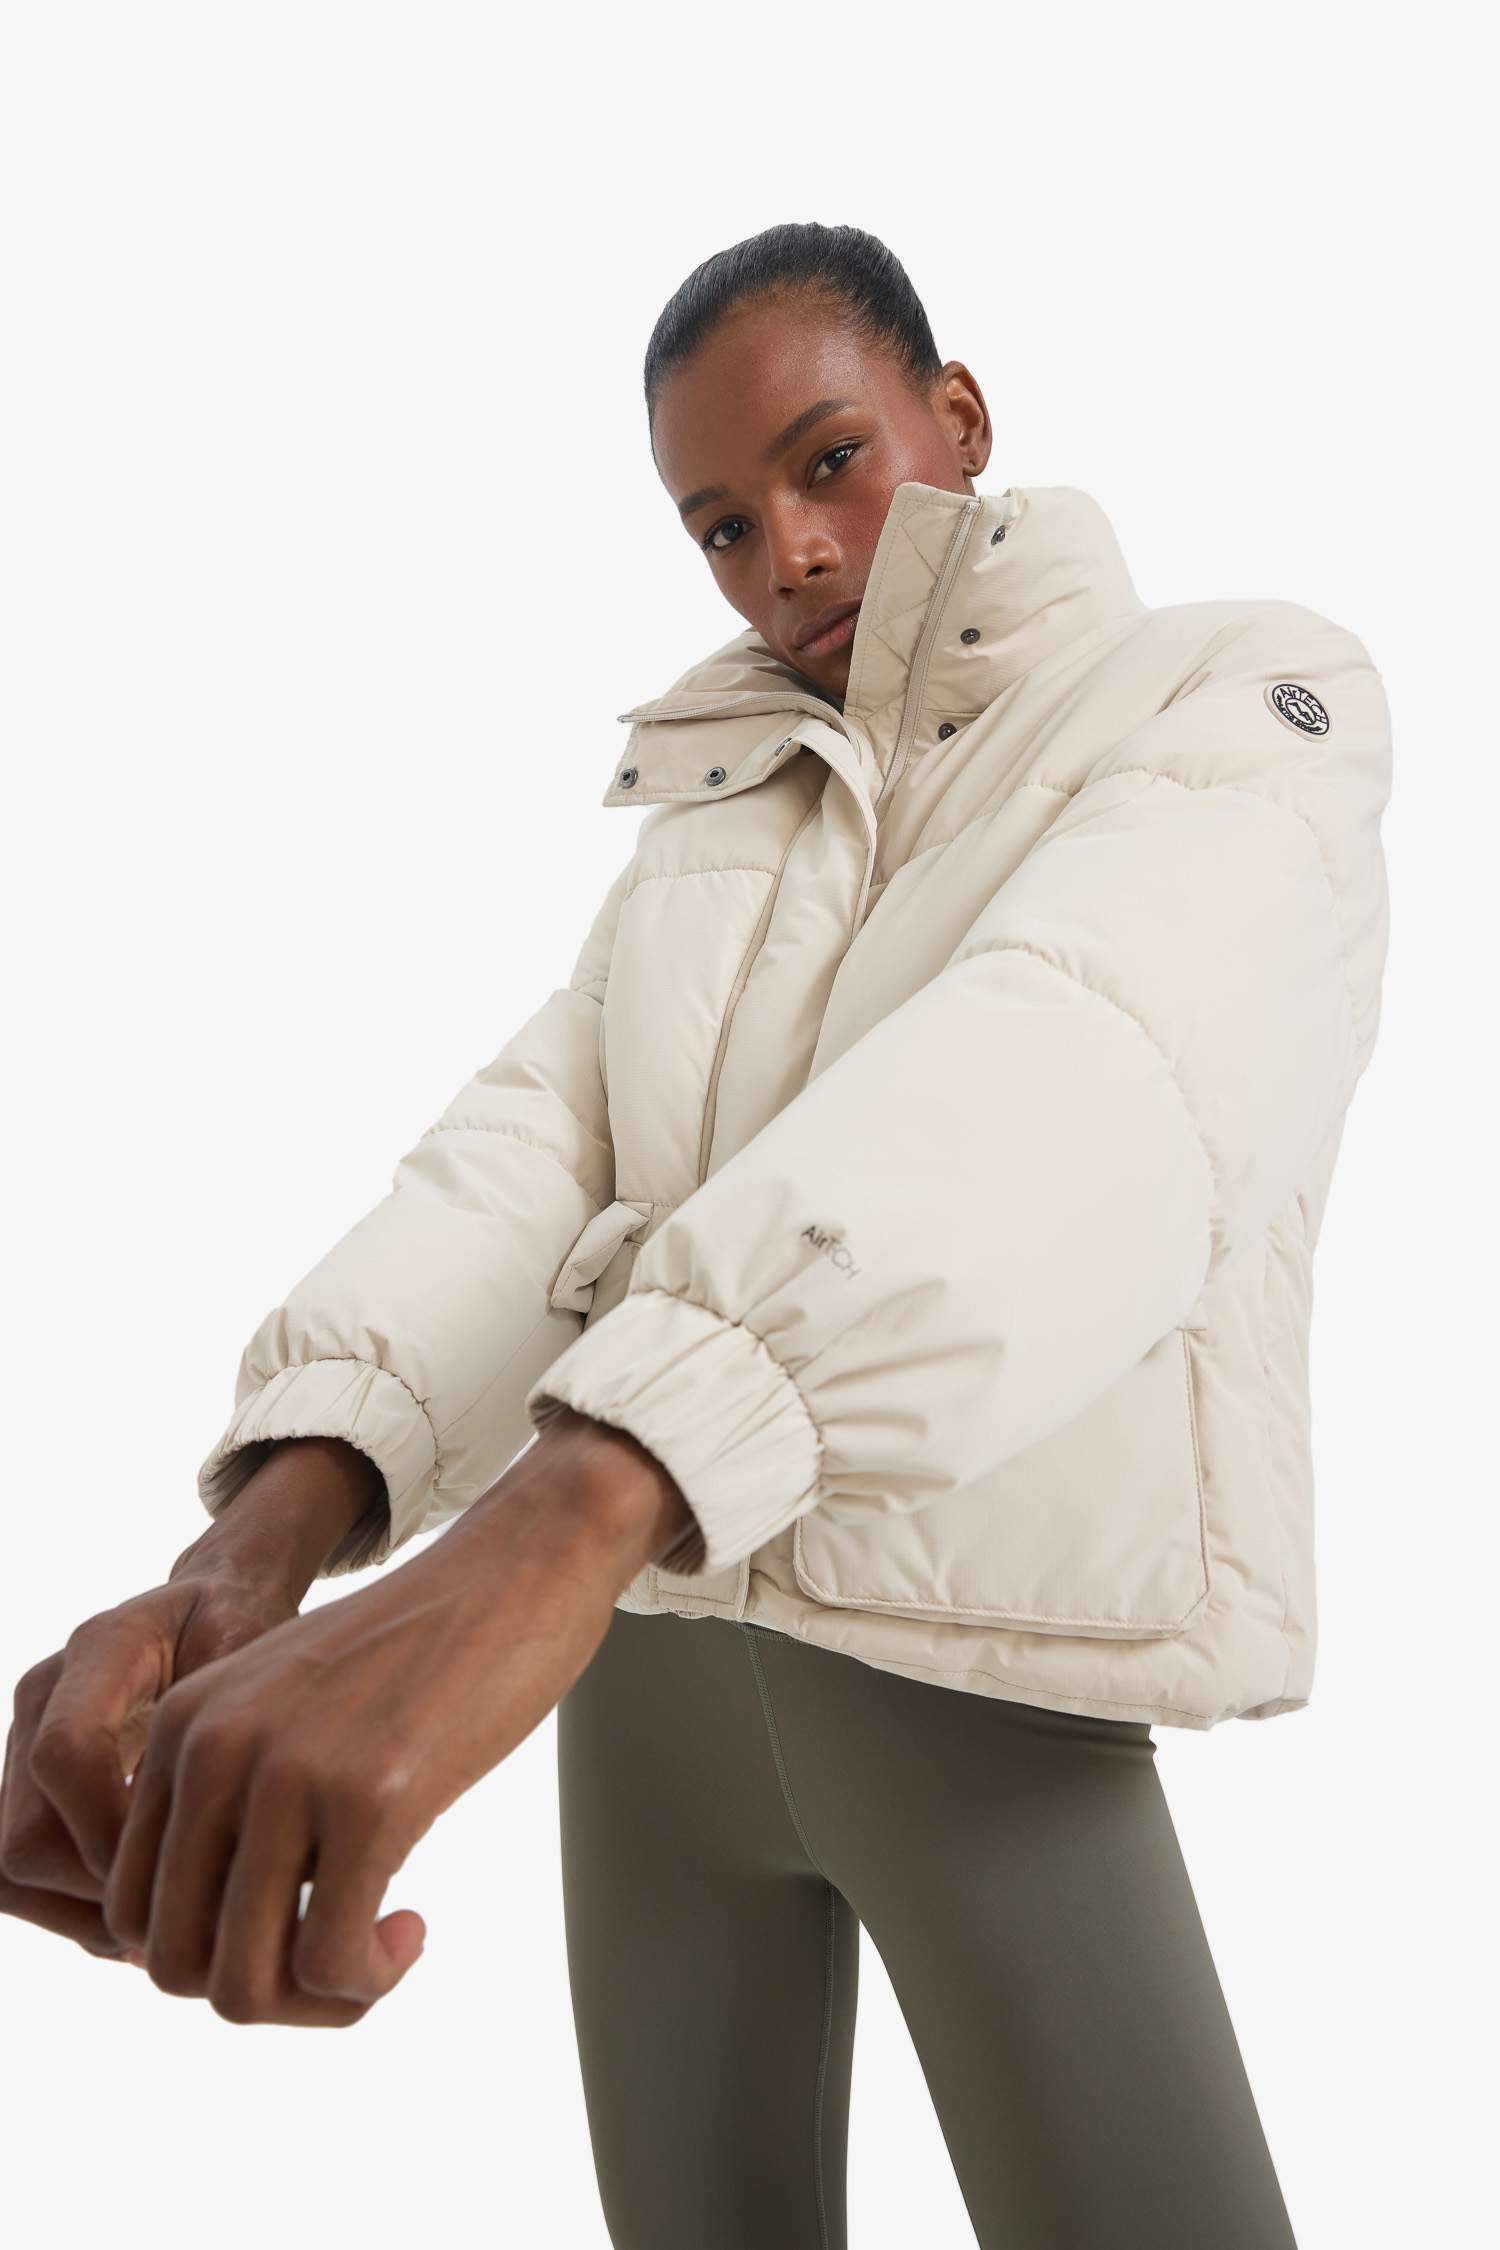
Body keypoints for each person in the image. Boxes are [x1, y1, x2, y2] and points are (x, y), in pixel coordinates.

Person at [0, 221, 1391, 2248]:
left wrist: (565, 1513)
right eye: (723, 525)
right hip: (644, 1686)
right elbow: (540, 1154)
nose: (787, 555)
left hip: (965, 1678)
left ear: (959, 414)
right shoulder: (727, 804)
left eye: (829, 464)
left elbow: (1079, 1080)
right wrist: (271, 1529)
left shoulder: (1235, 697)